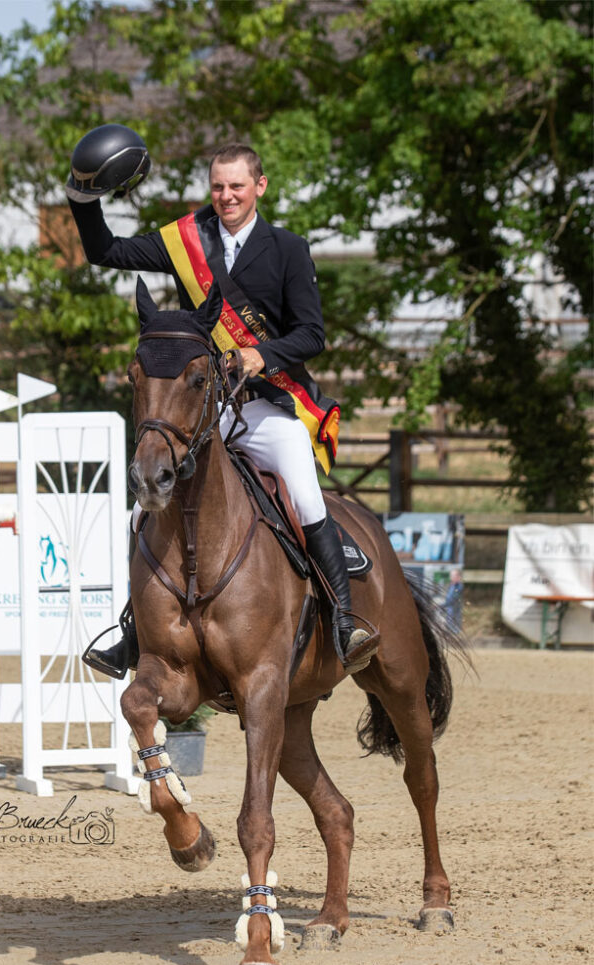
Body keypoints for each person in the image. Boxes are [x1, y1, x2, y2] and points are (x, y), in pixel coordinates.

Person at [66, 125, 379, 676]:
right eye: (217, 187)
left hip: (267, 406)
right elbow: (105, 250)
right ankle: (132, 633)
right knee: (140, 511)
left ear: (259, 185)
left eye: (236, 187)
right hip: (203, 411)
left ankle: (345, 621)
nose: (226, 197)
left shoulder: (287, 249)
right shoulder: (188, 239)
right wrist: (81, 195)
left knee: (305, 494)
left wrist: (265, 356)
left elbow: (313, 334)